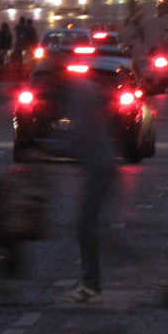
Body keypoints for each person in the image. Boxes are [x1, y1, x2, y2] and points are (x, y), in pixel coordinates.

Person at [43, 63, 117, 303]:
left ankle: (91, 285)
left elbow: (79, 132)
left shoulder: (78, 93)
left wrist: (51, 148)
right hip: (99, 164)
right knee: (92, 227)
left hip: (98, 166)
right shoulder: (81, 88)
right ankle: (95, 280)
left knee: (86, 228)